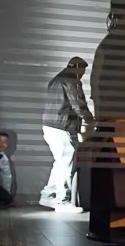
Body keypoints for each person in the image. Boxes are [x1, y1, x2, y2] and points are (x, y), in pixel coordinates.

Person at [40, 56, 94, 212]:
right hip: (62, 126)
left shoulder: (55, 80)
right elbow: (78, 104)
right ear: (78, 69)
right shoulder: (71, 80)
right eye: (82, 71)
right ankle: (62, 201)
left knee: (60, 162)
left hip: (50, 126)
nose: (82, 75)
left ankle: (48, 195)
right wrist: (91, 120)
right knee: (66, 163)